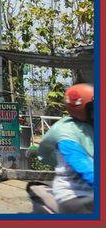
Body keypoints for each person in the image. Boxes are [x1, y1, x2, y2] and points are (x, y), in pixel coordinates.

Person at [38, 83, 94, 214]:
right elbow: (84, 167)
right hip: (75, 196)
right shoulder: (67, 132)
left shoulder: (93, 126)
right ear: (81, 107)